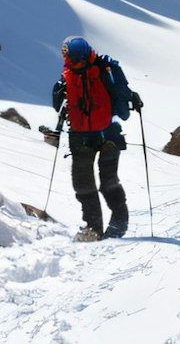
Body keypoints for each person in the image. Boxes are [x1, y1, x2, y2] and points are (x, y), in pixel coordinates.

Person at [51, 35, 142, 241]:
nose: (69, 61)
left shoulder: (84, 74)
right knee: (97, 183)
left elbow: (59, 106)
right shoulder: (93, 72)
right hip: (100, 134)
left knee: (93, 184)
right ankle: (106, 226)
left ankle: (105, 226)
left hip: (92, 134)